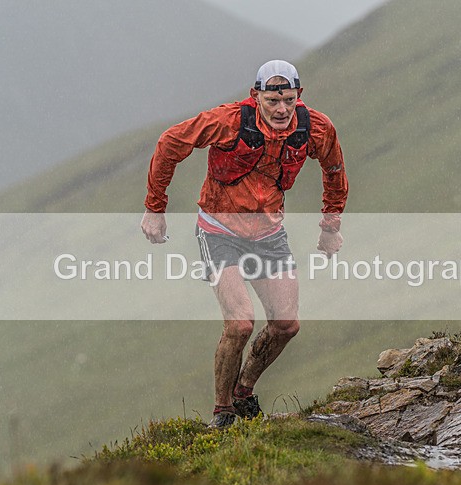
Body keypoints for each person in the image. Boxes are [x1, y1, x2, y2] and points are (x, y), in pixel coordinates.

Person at [140, 60, 348, 429]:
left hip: (268, 234)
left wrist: (330, 227)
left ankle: (244, 391)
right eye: (273, 100)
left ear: (298, 96)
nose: (282, 109)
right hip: (219, 230)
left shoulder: (316, 127)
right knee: (239, 324)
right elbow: (171, 142)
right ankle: (221, 413)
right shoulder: (230, 121)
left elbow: (334, 170)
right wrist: (155, 209)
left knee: (286, 325)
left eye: (288, 99)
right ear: (257, 97)